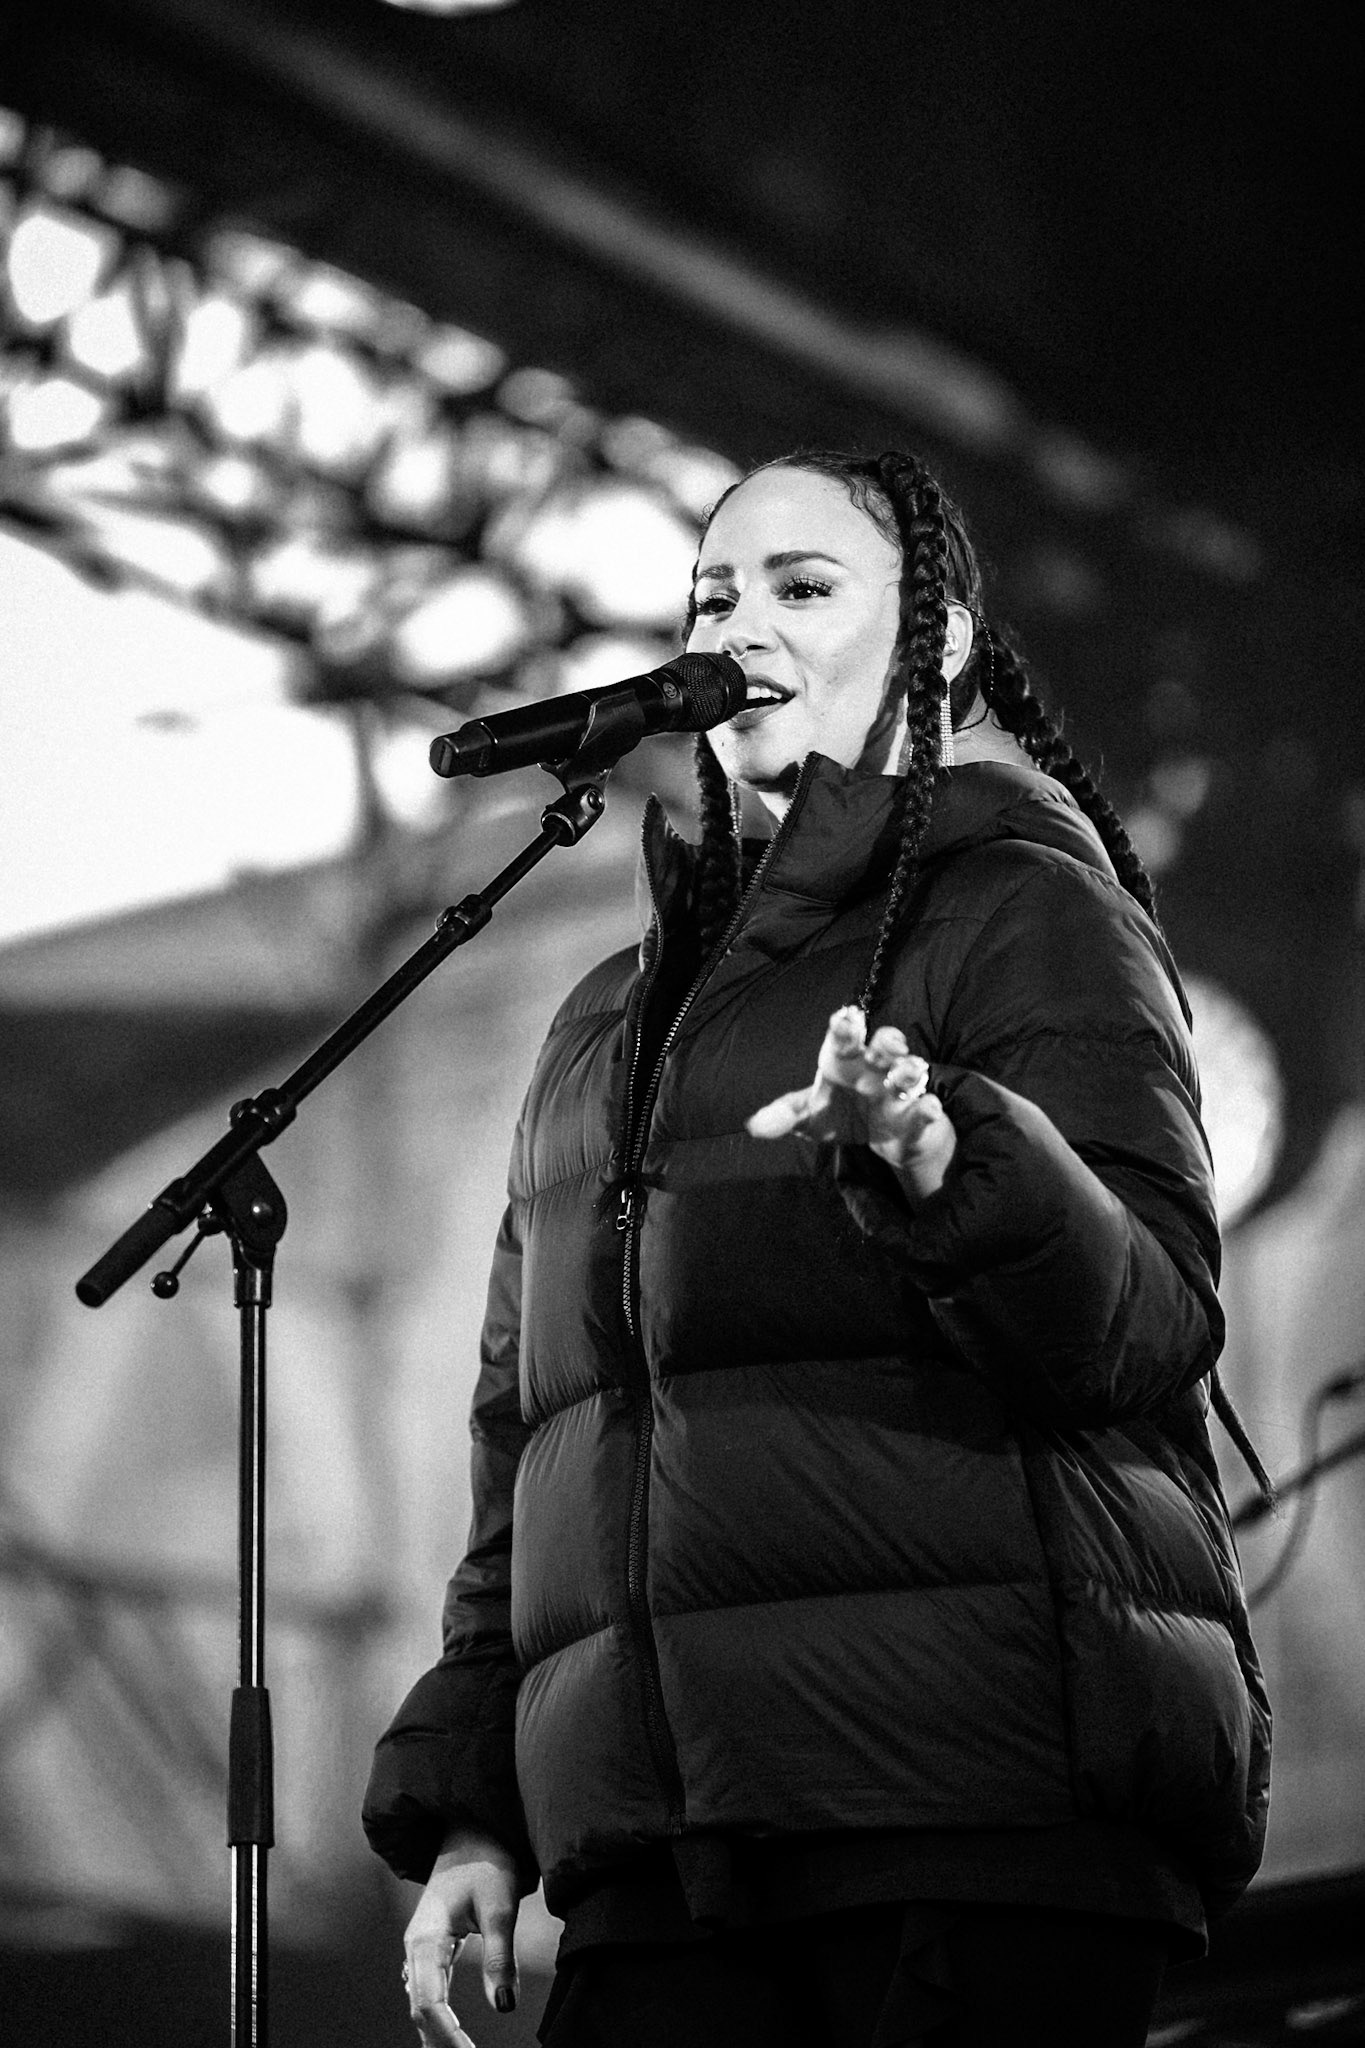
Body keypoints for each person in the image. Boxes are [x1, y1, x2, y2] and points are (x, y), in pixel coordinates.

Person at [363, 448, 1272, 2047]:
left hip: (964, 1822)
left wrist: (941, 1153)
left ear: (935, 647)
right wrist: (475, 1810)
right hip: (664, 1867)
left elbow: (1142, 1320)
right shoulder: (601, 1026)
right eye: (716, 595)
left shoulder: (1023, 908)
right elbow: (537, 1448)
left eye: (801, 588)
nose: (743, 625)